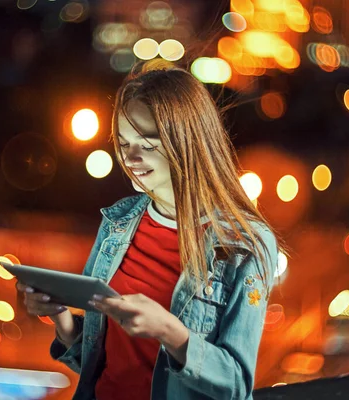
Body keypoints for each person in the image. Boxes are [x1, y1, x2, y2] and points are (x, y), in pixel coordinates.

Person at [16, 61, 280, 400]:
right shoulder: (118, 222)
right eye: (125, 144)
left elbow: (235, 385)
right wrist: (62, 320)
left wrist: (171, 332)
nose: (131, 158)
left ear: (188, 142)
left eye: (148, 143)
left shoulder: (245, 245)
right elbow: (101, 360)